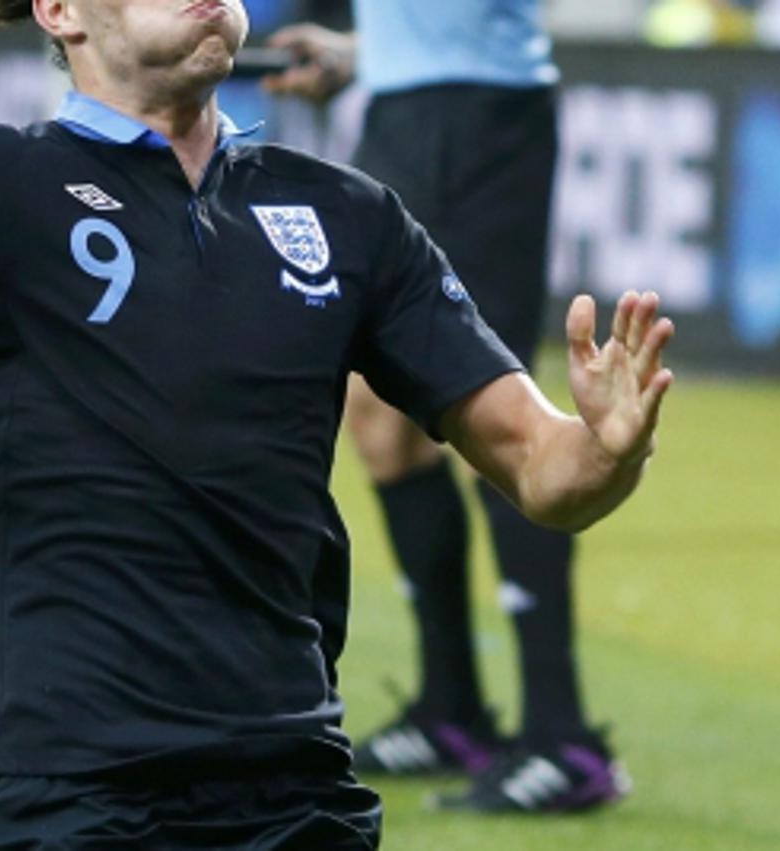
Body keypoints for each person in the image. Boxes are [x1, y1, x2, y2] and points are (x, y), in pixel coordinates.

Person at [0, 0, 674, 845]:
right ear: (58, 12)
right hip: (65, 788)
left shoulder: (348, 216)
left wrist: (608, 450)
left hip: (296, 786)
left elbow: (545, 473)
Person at [263, 1, 631, 813]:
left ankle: (561, 738)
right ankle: (452, 707)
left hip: (477, 113)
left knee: (494, 401)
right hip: (409, 100)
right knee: (378, 412)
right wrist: (375, 50)